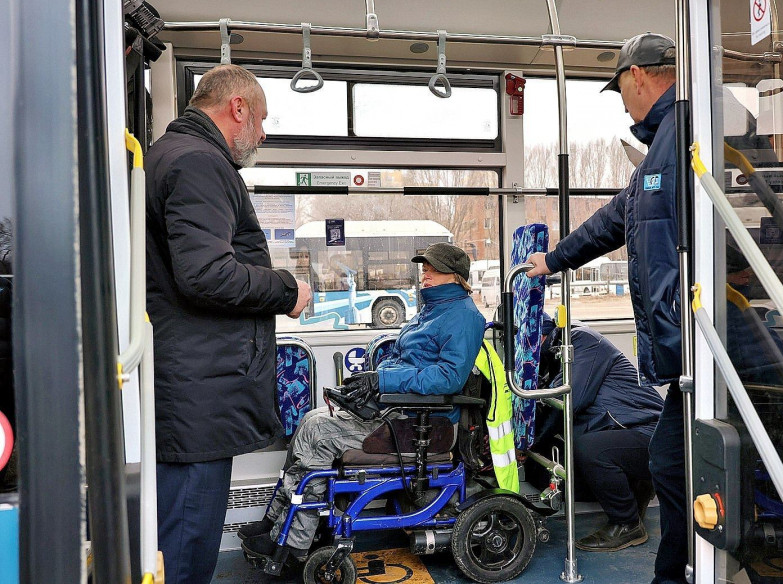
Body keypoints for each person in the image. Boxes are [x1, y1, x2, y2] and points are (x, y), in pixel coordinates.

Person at [525, 33, 687, 583]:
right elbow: (609, 224)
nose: (621, 100)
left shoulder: (686, 136)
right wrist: (552, 261)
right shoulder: (655, 156)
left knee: (672, 466)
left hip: (697, 340)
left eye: (620, 86)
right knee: (673, 468)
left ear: (637, 76)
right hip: (677, 352)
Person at [145, 64, 312, 584]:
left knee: (176, 535)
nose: (261, 134)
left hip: (190, 384)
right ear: (237, 108)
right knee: (189, 544)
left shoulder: (168, 155)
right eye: (260, 120)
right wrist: (287, 289)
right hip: (199, 393)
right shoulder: (200, 164)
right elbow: (205, 274)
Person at [239, 242, 486, 563]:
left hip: (428, 426)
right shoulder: (431, 310)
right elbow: (407, 363)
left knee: (321, 436)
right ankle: (276, 520)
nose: (425, 274)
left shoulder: (464, 317)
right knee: (310, 421)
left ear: (455, 277)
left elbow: (448, 378)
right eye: (425, 268)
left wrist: (382, 382)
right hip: (399, 411)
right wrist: (369, 384)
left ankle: (296, 542)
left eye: (433, 270)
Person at [527, 315, 663, 551]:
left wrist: (529, 441)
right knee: (540, 468)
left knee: (590, 448)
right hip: (617, 432)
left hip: (648, 431)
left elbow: (570, 400)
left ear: (540, 336)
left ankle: (627, 524)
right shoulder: (551, 360)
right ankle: (632, 488)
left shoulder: (582, 341)